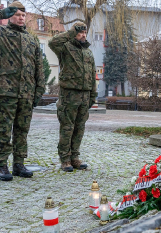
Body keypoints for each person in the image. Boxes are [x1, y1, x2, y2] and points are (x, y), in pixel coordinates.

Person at [0, 1, 45, 181]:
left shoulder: (31, 39)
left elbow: (39, 67)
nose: (21, 18)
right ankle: (2, 165)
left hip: (26, 93)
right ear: (10, 16)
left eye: (23, 15)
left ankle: (19, 163)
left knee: (22, 130)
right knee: (4, 129)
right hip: (7, 92)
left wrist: (38, 91)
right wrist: (0, 13)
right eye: (17, 14)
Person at [48, 22, 97, 172]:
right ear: (74, 33)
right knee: (67, 127)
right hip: (69, 94)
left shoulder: (88, 52)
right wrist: (70, 33)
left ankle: (75, 157)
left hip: (84, 95)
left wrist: (93, 95)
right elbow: (52, 42)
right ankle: (65, 159)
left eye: (85, 32)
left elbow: (92, 74)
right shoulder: (65, 48)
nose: (83, 35)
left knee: (79, 128)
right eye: (79, 32)